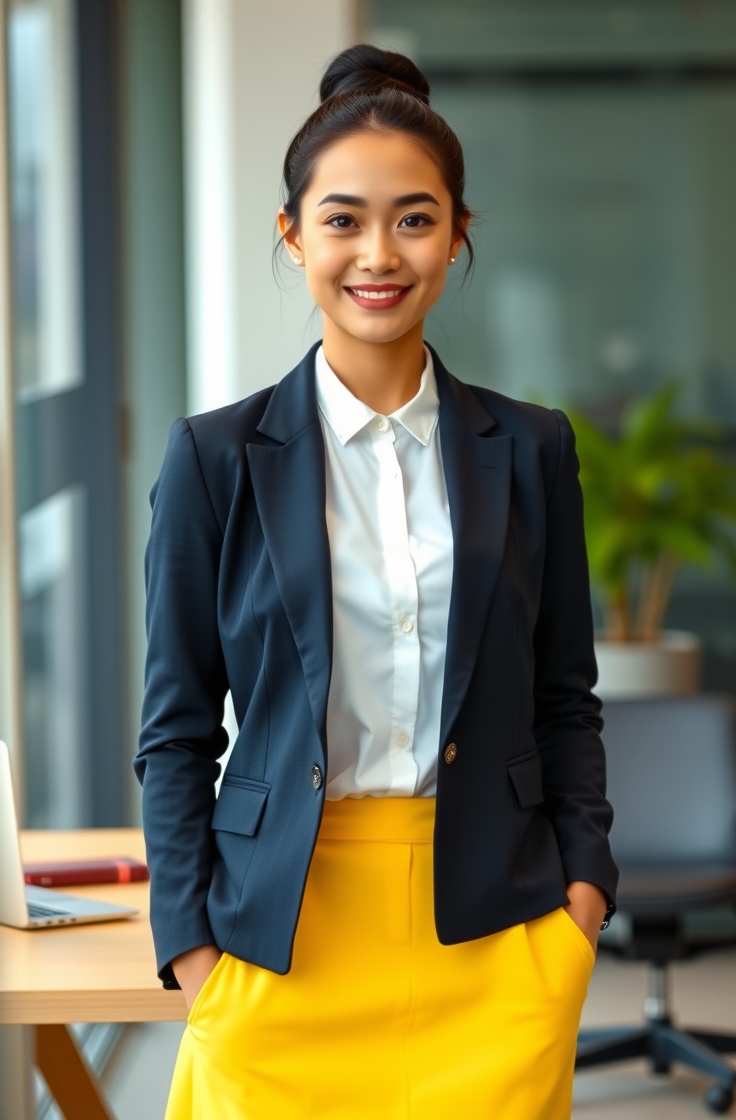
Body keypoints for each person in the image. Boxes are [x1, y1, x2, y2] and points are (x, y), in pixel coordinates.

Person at [135, 44, 618, 1120]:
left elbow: (563, 696)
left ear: (456, 235)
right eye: (343, 218)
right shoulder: (214, 459)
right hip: (279, 943)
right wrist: (191, 953)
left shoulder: (531, 448)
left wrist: (580, 902)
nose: (378, 253)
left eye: (414, 217)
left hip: (494, 934)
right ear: (293, 233)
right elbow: (175, 730)